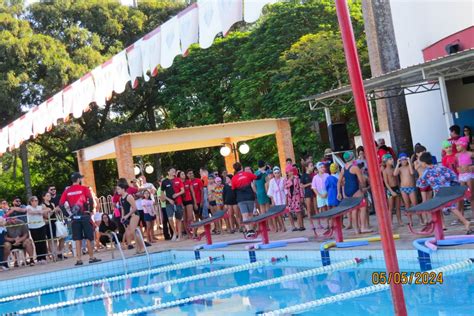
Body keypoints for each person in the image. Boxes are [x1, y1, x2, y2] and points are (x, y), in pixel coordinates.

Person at [418, 152, 472, 234]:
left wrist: (423, 178)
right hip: (447, 189)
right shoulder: (441, 167)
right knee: (443, 207)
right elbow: (452, 175)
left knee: (451, 207)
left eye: (420, 163)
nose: (420, 164)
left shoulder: (426, 172)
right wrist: (450, 184)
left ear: (424, 163)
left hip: (439, 192)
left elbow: (420, 184)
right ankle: (443, 225)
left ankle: (465, 222)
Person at [59, 172, 101, 266]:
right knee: (89, 238)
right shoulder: (84, 188)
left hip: (74, 218)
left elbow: (61, 204)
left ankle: (79, 260)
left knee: (77, 239)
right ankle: (91, 258)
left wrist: (67, 214)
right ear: (78, 180)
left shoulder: (67, 191)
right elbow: (90, 199)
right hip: (85, 216)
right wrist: (89, 211)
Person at [338, 151, 372, 234]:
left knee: (353, 209)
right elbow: (361, 180)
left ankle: (356, 229)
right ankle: (363, 227)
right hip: (355, 190)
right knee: (363, 207)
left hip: (347, 191)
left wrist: (338, 193)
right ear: (352, 158)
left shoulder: (343, 168)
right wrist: (364, 187)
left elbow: (339, 181)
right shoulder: (355, 167)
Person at [394, 153, 424, 226]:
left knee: (415, 204)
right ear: (400, 161)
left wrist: (409, 162)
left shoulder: (409, 166)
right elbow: (395, 174)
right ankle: (410, 221)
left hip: (411, 188)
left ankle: (421, 219)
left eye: (405, 160)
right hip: (403, 188)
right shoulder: (400, 168)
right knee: (407, 205)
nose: (403, 161)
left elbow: (412, 172)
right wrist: (397, 164)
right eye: (402, 160)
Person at [117, 182, 145, 253]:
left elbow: (135, 208)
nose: (117, 191)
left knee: (133, 231)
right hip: (128, 216)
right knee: (132, 233)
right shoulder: (120, 198)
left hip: (134, 215)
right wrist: (122, 216)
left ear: (123, 189)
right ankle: (138, 248)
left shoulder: (129, 196)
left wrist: (127, 215)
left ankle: (142, 248)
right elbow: (123, 208)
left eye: (118, 189)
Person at [231, 162, 257, 238]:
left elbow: (233, 189)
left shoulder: (234, 178)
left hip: (241, 199)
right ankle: (252, 229)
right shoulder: (247, 174)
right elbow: (256, 177)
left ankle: (248, 230)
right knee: (250, 214)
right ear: (241, 167)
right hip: (250, 197)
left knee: (244, 215)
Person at [161, 167, 185, 241]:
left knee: (178, 219)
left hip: (178, 202)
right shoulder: (164, 181)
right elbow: (162, 194)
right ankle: (175, 233)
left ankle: (180, 235)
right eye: (172, 171)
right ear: (168, 172)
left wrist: (176, 194)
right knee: (170, 218)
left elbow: (182, 191)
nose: (174, 171)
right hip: (169, 203)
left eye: (174, 170)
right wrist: (169, 199)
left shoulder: (178, 180)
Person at [42, 191, 65, 260]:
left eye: (49, 196)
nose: (49, 197)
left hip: (55, 222)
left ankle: (58, 253)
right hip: (48, 223)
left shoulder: (52, 204)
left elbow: (56, 213)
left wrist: (57, 210)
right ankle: (54, 255)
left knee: (59, 238)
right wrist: (53, 210)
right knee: (51, 240)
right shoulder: (43, 205)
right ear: (44, 197)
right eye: (47, 196)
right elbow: (46, 216)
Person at [26, 196, 48, 264]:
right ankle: (39, 258)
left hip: (41, 225)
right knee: (37, 242)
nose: (35, 202)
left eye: (36, 200)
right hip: (33, 227)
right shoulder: (28, 207)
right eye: (34, 201)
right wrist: (39, 212)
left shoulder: (40, 207)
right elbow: (30, 212)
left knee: (43, 241)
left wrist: (41, 211)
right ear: (31, 202)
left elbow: (48, 210)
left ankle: (43, 257)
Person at [382, 154, 402, 226]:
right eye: (390, 159)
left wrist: (399, 189)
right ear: (386, 162)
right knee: (390, 208)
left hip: (396, 188)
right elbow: (386, 183)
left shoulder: (394, 169)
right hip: (390, 190)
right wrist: (391, 191)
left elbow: (397, 180)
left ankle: (399, 221)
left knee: (398, 207)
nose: (392, 160)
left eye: (392, 159)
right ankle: (390, 222)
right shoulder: (385, 171)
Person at [266, 166, 286, 232]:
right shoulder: (271, 181)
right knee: (279, 214)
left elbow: (286, 190)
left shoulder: (283, 179)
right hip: (276, 198)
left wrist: (287, 199)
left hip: (283, 197)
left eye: (278, 173)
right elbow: (270, 192)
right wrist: (273, 201)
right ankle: (282, 226)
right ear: (274, 174)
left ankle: (289, 226)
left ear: (280, 173)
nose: (277, 174)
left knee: (286, 213)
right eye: (275, 173)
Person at [285, 167, 304, 231]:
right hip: (290, 198)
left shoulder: (297, 178)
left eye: (291, 171)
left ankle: (301, 225)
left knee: (298, 211)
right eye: (289, 171)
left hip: (297, 196)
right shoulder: (286, 180)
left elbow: (300, 188)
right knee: (292, 211)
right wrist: (290, 181)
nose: (290, 172)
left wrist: (301, 196)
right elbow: (285, 187)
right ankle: (294, 226)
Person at [456, 137, 473, 205]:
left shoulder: (471, 154)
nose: (457, 147)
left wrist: (472, 167)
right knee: (461, 195)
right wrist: (458, 168)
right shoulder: (457, 155)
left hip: (469, 175)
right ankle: (462, 212)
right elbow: (456, 165)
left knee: (471, 195)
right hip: (461, 176)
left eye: (458, 145)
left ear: (464, 145)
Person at [312, 162, 329, 229]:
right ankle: (327, 223)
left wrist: (326, 193)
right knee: (324, 209)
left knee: (329, 208)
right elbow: (314, 187)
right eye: (321, 167)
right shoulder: (315, 177)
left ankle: (331, 223)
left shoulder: (327, 175)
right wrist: (319, 195)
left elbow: (329, 185)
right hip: (320, 194)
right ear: (318, 169)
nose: (323, 169)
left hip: (326, 193)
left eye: (323, 167)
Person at [181, 171, 195, 236]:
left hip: (189, 200)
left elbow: (192, 192)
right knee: (185, 218)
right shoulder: (179, 183)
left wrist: (194, 202)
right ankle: (188, 233)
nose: (183, 175)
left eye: (184, 173)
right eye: (182, 174)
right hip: (182, 202)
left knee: (190, 217)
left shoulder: (188, 182)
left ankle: (194, 232)